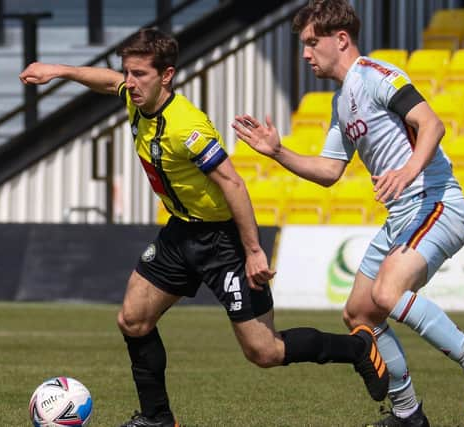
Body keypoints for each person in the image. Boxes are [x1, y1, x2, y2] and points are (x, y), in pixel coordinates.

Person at [20, 27, 389, 427]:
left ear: (167, 75)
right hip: (180, 234)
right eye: (127, 72)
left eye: (140, 74)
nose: (130, 82)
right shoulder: (133, 97)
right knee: (133, 320)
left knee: (263, 351)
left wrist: (252, 251)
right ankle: (158, 418)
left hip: (222, 242)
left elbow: (233, 183)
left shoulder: (188, 128)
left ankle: (356, 348)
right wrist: (57, 70)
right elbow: (108, 82)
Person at [232, 1, 464, 426]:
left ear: (341, 39)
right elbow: (328, 173)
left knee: (386, 294)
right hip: (402, 215)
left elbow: (432, 124)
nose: (305, 54)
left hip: (434, 202)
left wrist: (407, 169)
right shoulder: (341, 101)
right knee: (359, 313)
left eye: (311, 42)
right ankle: (408, 414)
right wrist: (278, 151)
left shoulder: (378, 75)